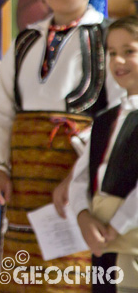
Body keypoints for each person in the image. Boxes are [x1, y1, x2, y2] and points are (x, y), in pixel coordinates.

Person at [0, 0, 115, 292]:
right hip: (23, 190)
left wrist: (76, 179)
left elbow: (118, 119)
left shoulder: (107, 41)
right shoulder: (25, 41)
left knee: (72, 277)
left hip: (77, 190)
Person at [69, 15, 138, 293]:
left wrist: (117, 226)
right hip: (102, 242)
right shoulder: (105, 119)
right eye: (112, 53)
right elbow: (81, 178)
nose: (118, 62)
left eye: (129, 52)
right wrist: (84, 216)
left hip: (128, 242)